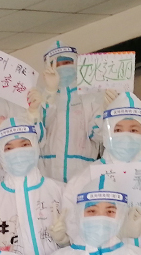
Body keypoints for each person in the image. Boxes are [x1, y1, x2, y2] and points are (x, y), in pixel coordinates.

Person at [66, 90, 141, 246]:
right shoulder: (84, 180)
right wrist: (117, 235)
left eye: (134, 130)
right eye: (118, 130)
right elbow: (73, 227)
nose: (126, 136)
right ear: (107, 131)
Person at [0, 120, 70, 255]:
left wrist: (63, 240)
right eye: (9, 148)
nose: (18, 153)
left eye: (24, 145)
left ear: (35, 146)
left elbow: (80, 244)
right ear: (0, 153)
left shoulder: (61, 191)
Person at [39, 41, 99, 182]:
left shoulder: (90, 97)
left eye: (67, 62)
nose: (62, 68)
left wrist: (107, 113)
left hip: (83, 174)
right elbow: (38, 132)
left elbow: (100, 136)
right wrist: (50, 93)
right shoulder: (40, 98)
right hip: (48, 175)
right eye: (56, 64)